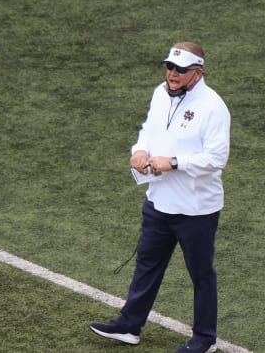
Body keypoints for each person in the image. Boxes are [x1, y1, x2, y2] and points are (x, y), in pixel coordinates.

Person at [89, 42, 231, 353]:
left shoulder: (213, 106)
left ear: (197, 73)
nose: (172, 73)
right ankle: (129, 325)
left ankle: (205, 339)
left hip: (196, 209)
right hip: (158, 201)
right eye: (169, 66)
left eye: (180, 69)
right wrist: (139, 151)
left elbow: (217, 158)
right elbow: (149, 131)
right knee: (147, 265)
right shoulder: (159, 93)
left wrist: (176, 162)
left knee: (201, 274)